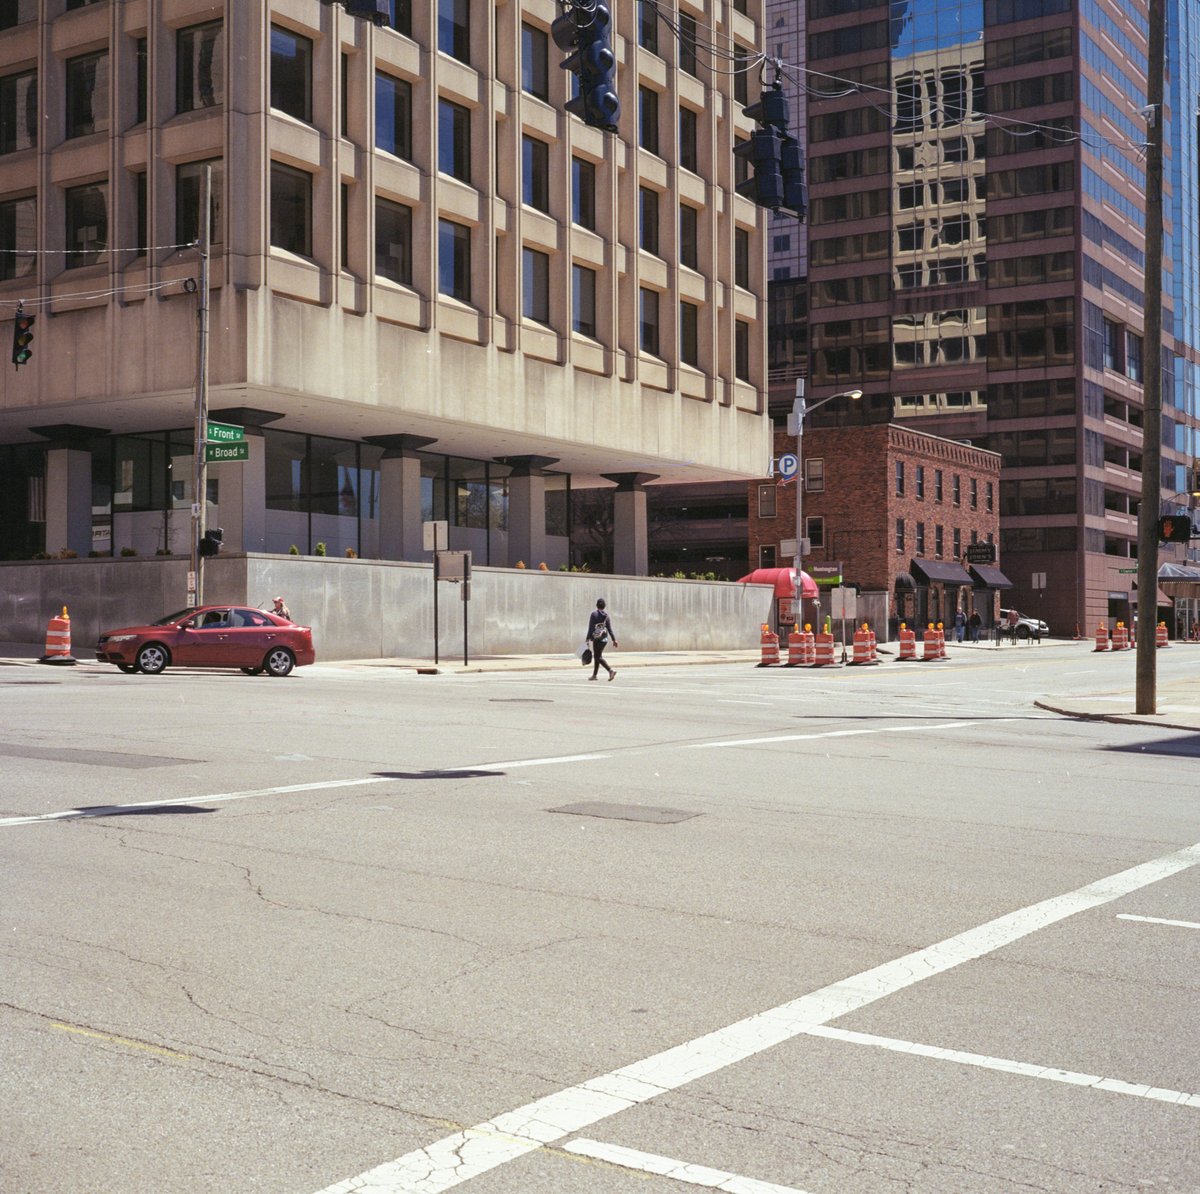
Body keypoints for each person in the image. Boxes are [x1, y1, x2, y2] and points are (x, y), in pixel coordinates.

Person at [586, 598, 618, 681]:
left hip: (596, 638)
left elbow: (590, 628)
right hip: (604, 639)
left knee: (597, 656)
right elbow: (610, 629)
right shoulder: (606, 616)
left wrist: (587, 638)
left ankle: (610, 670)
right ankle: (594, 675)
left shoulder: (594, 614)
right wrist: (614, 640)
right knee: (598, 656)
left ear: (597, 605)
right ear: (604, 606)